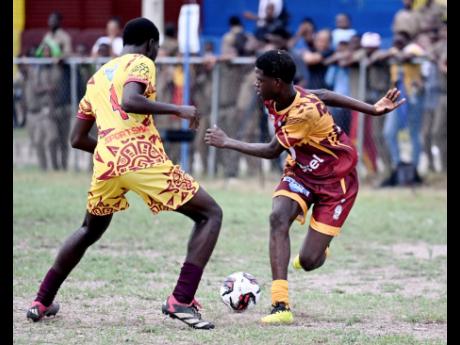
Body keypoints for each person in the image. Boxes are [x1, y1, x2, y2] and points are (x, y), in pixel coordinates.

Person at [26, 17, 222, 330]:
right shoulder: (142, 62)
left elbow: (76, 138)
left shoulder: (98, 77)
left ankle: (42, 300)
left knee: (89, 229)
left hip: (106, 163)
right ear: (152, 44)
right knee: (210, 214)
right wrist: (178, 109)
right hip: (142, 159)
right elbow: (131, 101)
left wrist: (109, 152)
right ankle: (181, 299)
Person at [205, 50, 404, 324]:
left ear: (276, 82)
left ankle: (318, 249)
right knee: (277, 218)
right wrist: (372, 108)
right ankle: (280, 305)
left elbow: (271, 150)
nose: (255, 83)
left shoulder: (302, 113)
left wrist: (227, 141)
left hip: (337, 182)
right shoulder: (282, 94)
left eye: (260, 79)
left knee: (309, 261)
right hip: (301, 172)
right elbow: (323, 92)